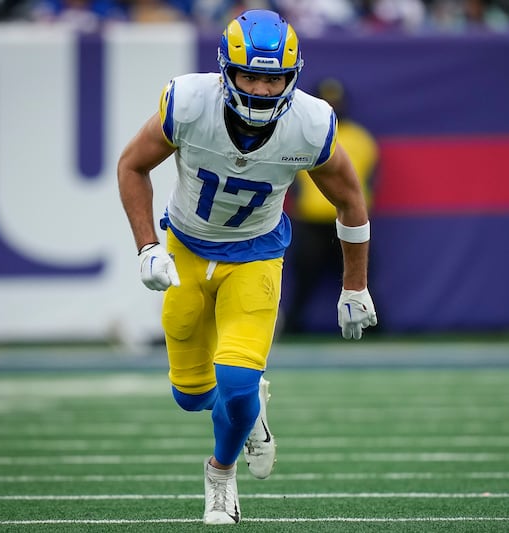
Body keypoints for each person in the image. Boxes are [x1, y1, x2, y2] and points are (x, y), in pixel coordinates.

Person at [116, 9, 377, 525]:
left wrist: (355, 285)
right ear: (225, 72)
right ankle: (248, 410)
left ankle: (220, 474)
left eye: (273, 76)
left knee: (235, 383)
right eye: (250, 75)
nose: (261, 88)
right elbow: (132, 165)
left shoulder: (309, 123)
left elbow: (351, 201)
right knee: (191, 397)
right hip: (188, 250)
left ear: (292, 75)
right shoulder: (189, 104)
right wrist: (148, 246)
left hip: (256, 255)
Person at [282, 77, 379, 335]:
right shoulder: (305, 132)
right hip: (312, 220)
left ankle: (373, 328)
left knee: (360, 279)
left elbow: (368, 180)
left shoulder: (360, 138)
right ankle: (292, 328)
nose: (333, 106)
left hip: (348, 221)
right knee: (303, 280)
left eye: (336, 101)